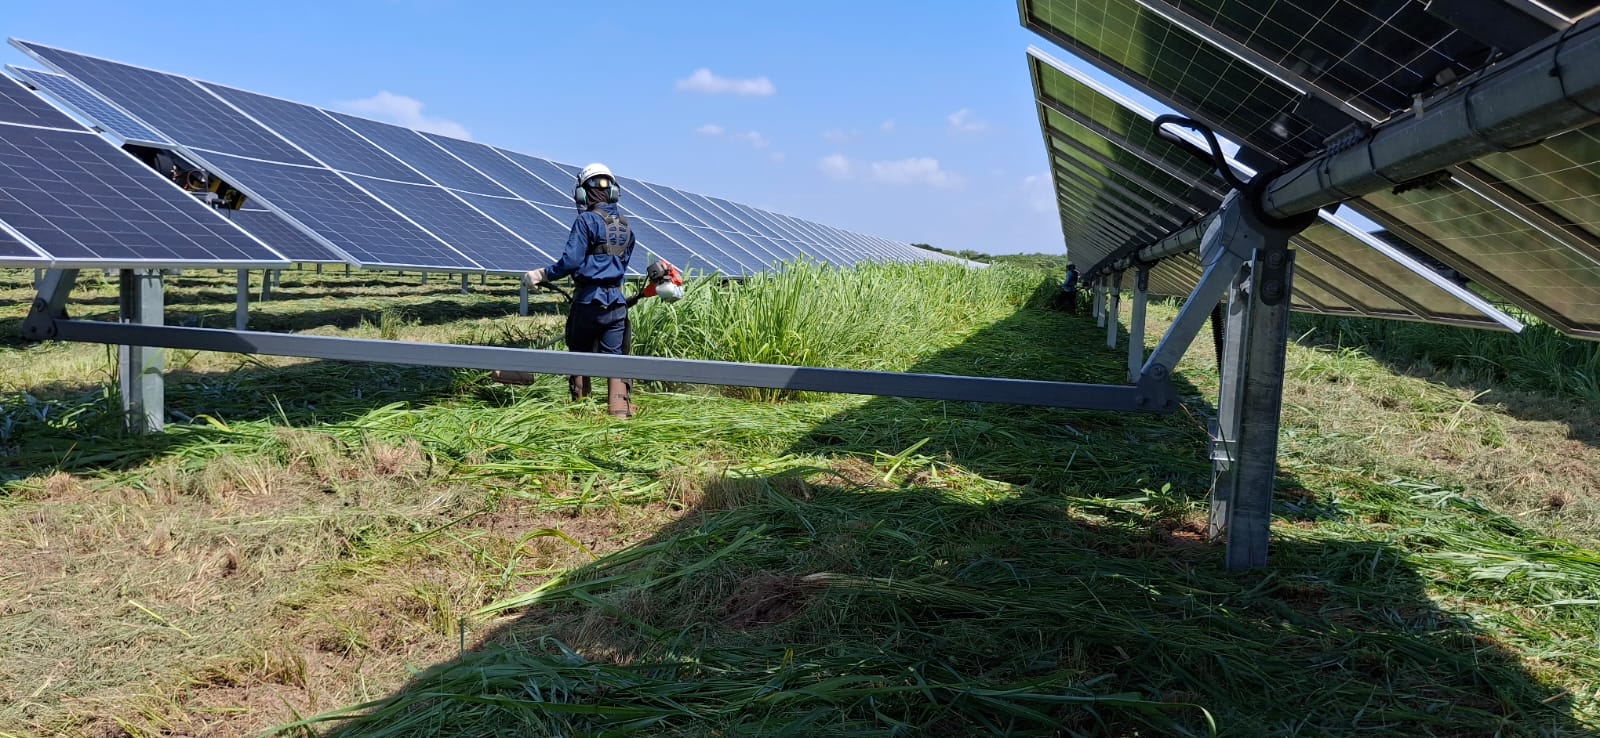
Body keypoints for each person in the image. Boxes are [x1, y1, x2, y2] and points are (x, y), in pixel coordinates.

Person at [502, 163, 640, 418]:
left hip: (587, 303)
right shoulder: (626, 225)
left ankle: (580, 414)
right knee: (615, 362)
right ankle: (619, 420)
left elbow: (571, 262)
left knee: (578, 357)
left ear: (582, 194)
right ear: (614, 193)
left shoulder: (586, 221)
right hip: (616, 305)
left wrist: (542, 274)